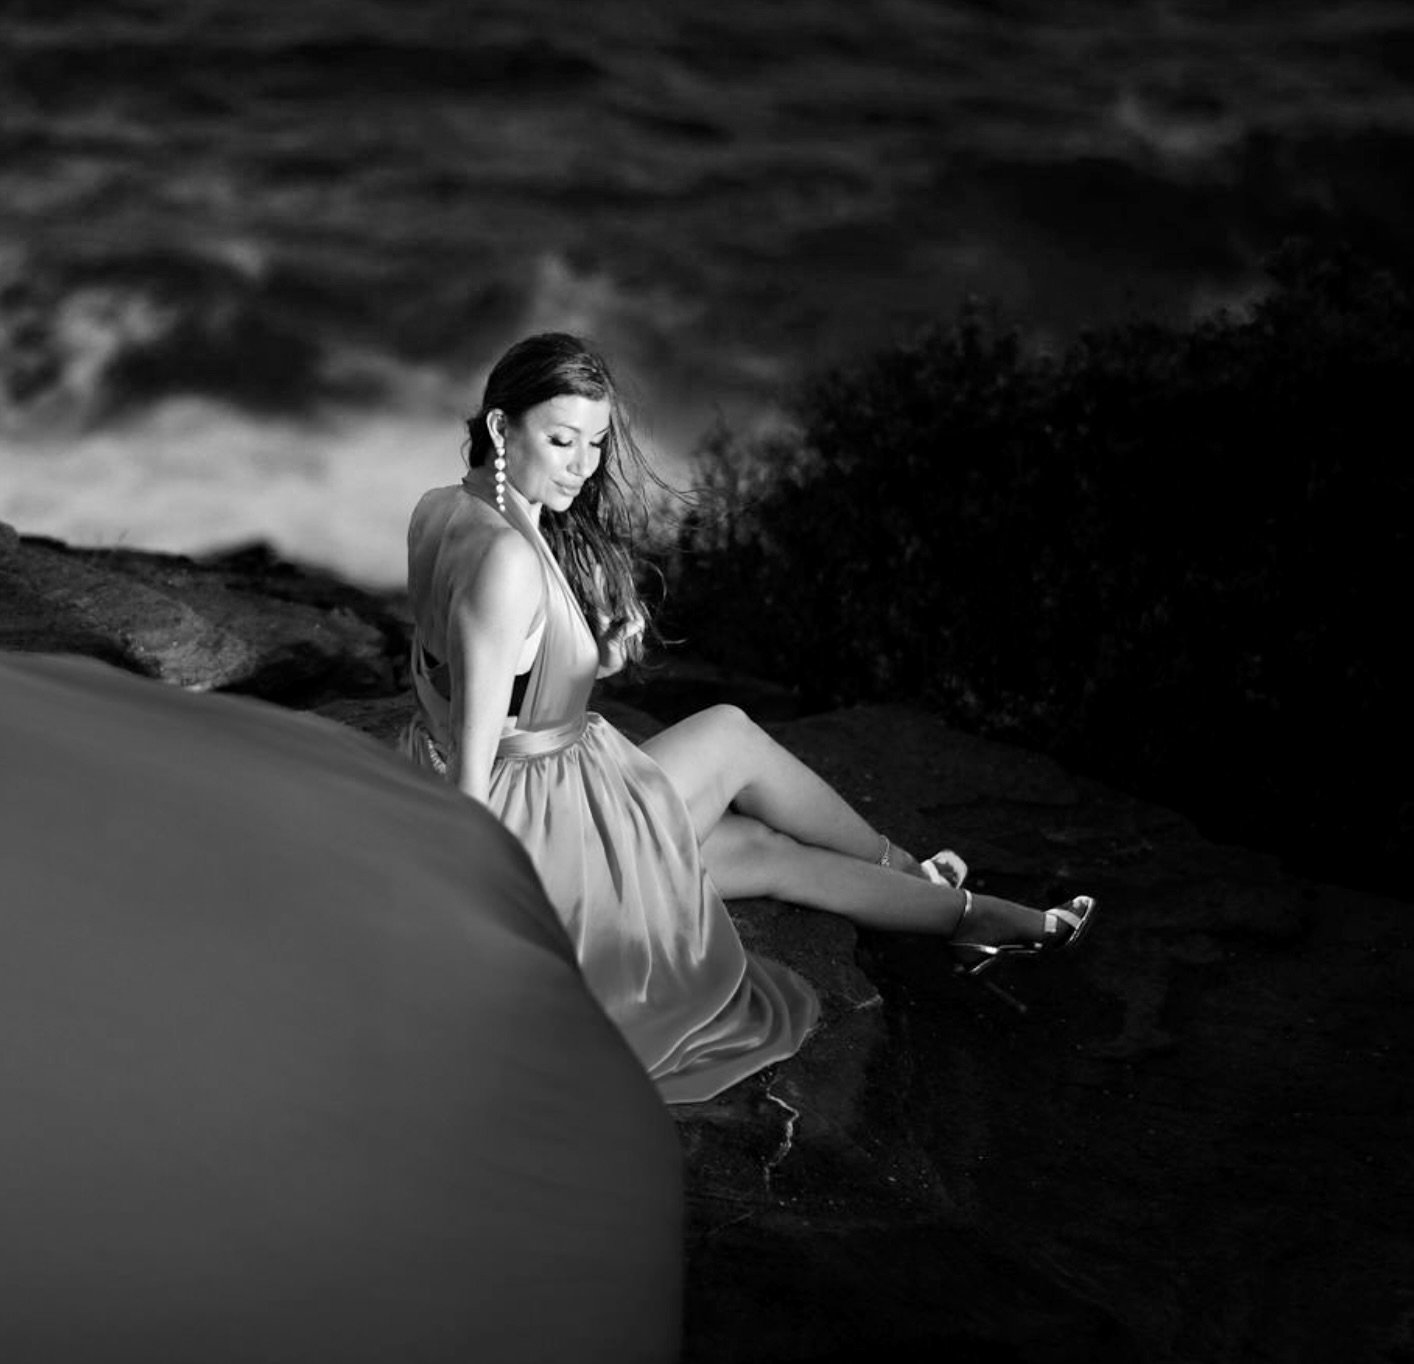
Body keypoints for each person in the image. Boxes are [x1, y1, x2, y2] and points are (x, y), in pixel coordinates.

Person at [402, 332, 1095, 1104]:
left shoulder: (441, 510)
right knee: (730, 733)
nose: (583, 465)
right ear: (502, 429)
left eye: (596, 443)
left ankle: (971, 917)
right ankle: (918, 875)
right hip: (534, 829)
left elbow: (475, 674)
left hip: (520, 785)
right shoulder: (508, 559)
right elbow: (474, 776)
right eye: (561, 441)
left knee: (766, 852)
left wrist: (592, 656)